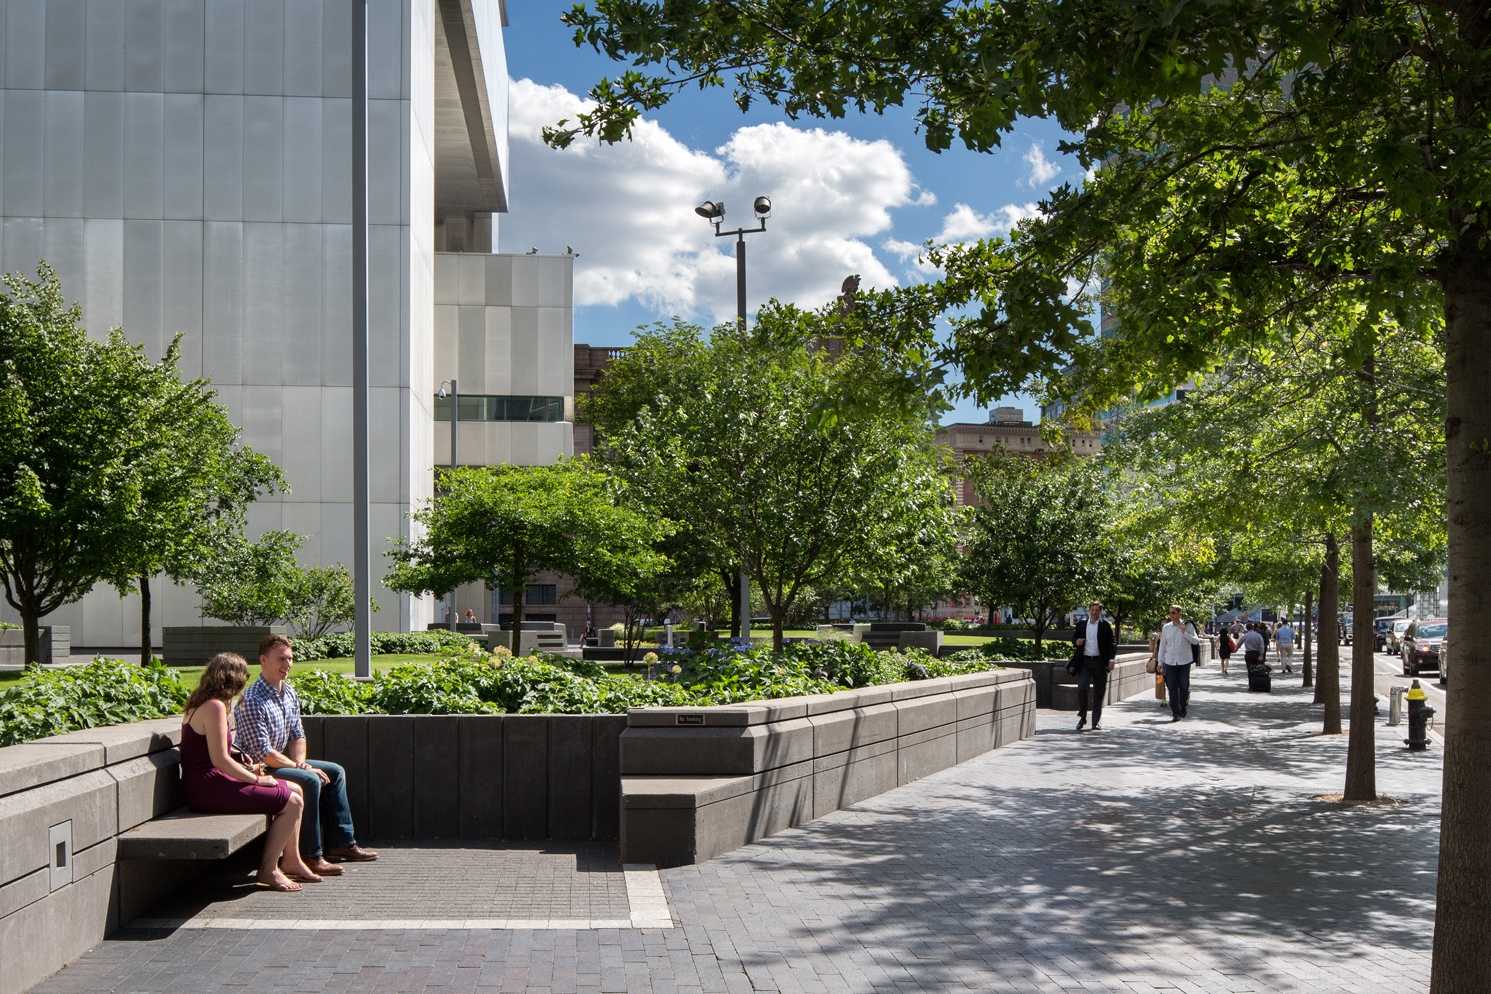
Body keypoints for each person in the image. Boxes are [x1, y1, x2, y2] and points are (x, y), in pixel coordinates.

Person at [236, 635, 380, 872]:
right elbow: (264, 753)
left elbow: (297, 735)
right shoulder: (252, 700)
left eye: (290, 659)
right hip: (258, 769)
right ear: (263, 660)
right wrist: (301, 769)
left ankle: (343, 843)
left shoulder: (288, 692)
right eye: (281, 659)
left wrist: (301, 762)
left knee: (335, 772)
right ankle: (310, 855)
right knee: (310, 780)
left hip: (281, 761)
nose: (288, 664)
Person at [181, 653, 318, 892]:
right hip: (209, 787)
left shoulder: (204, 703)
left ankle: (292, 859)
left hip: (210, 782)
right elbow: (219, 760)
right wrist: (257, 779)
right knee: (292, 800)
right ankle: (269, 870)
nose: (245, 681)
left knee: (295, 788)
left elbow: (215, 755)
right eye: (243, 675)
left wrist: (247, 768)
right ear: (232, 678)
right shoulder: (214, 707)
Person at [1071, 600, 1117, 731]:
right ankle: (1083, 716)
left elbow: (1112, 644)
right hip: (1084, 661)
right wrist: (1077, 641)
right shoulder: (1081, 624)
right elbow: (1073, 639)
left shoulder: (1105, 626)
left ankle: (1095, 722)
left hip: (1100, 662)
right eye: (1093, 610)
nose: (1095, 612)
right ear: (1089, 610)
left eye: (1097, 610)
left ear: (1100, 612)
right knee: (1082, 688)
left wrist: (1112, 659)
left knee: (1099, 693)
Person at [1157, 605, 1201, 721]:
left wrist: (1184, 632)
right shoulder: (1166, 627)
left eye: (1174, 613)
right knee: (1171, 687)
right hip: (1169, 661)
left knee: (1183, 686)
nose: (1171, 615)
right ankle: (1175, 713)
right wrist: (1160, 662)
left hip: (1184, 661)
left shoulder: (1188, 625)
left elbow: (1196, 641)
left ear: (1179, 614)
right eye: (1170, 613)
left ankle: (1183, 707)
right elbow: (1162, 646)